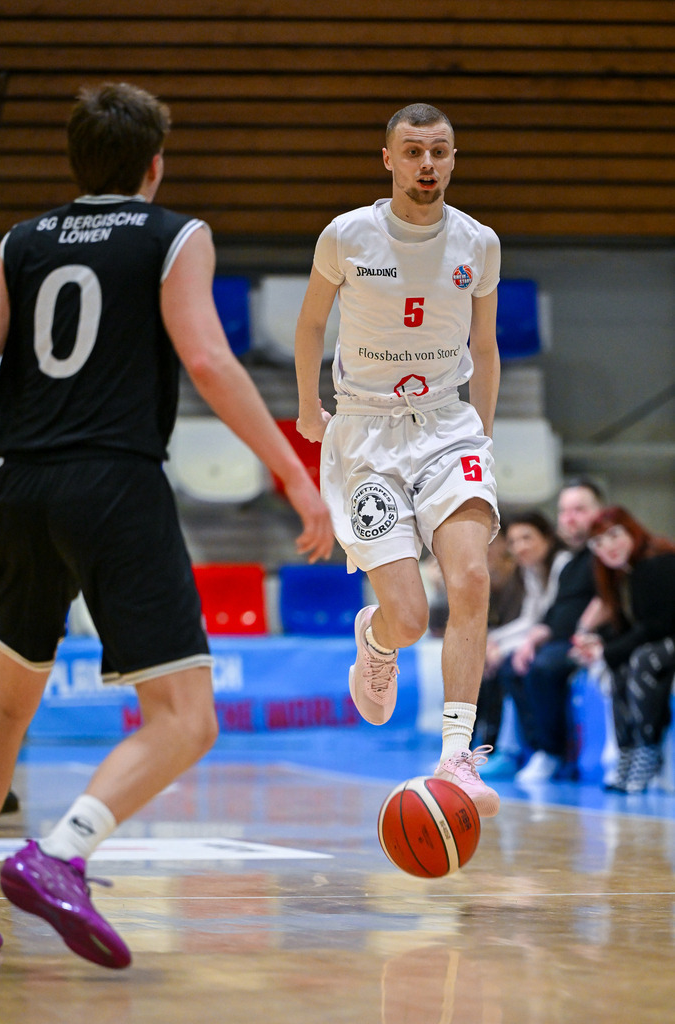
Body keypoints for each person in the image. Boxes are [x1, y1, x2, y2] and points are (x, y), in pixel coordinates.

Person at [0, 81, 333, 967]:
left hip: (21, 485)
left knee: (5, 706)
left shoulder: (18, 241)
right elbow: (209, 359)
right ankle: (60, 853)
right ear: (154, 165)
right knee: (187, 719)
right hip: (114, 483)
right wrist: (295, 474)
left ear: (75, 161)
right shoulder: (172, 233)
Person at [295, 102, 501, 817]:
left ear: (454, 158)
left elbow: (485, 347)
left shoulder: (479, 242)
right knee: (409, 618)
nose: (427, 164)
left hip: (447, 426)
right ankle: (376, 642)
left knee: (471, 577)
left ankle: (457, 757)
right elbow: (311, 324)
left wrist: (482, 435)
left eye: (439, 151)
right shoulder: (346, 235)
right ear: (388, 159)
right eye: (413, 151)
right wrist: (308, 407)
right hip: (367, 432)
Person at [499, 478, 604, 784]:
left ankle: (552, 751)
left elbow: (606, 602)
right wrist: (532, 639)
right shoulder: (571, 564)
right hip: (559, 639)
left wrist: (585, 633)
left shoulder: (603, 556)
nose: (570, 518)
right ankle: (533, 748)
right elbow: (552, 612)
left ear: (598, 511)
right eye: (564, 511)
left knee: (544, 667)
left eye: (579, 510)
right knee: (511, 666)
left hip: (586, 641)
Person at [571, 507, 675, 793]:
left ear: (632, 531)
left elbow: (658, 625)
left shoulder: (658, 563)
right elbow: (630, 627)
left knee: (640, 659)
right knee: (620, 667)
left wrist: (607, 651)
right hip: (661, 638)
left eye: (615, 535)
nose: (608, 546)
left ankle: (648, 746)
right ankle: (628, 748)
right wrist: (600, 646)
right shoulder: (624, 574)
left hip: (666, 636)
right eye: (598, 542)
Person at [475, 511, 571, 771]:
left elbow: (546, 622)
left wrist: (497, 646)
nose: (520, 547)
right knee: (488, 663)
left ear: (547, 537)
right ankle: (485, 747)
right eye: (514, 541)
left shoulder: (562, 564)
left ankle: (538, 751)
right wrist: (489, 642)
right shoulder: (530, 570)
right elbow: (530, 620)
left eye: (527, 538)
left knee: (516, 667)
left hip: (563, 637)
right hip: (541, 635)